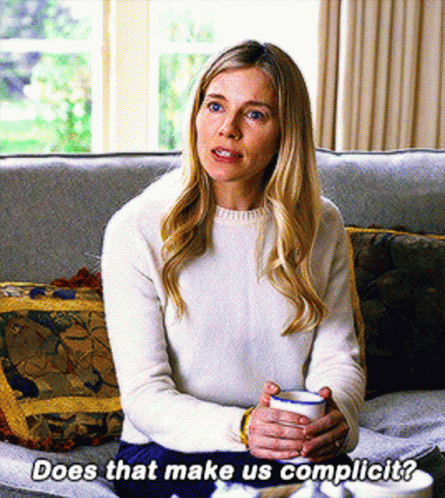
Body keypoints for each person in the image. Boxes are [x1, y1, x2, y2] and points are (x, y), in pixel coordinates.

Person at [101, 40, 366, 498]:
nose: (227, 129)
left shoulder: (321, 224)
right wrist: (244, 427)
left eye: (254, 114)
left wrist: (336, 413)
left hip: (287, 446)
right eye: (215, 106)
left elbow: (338, 357)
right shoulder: (136, 227)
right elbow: (144, 396)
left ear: (286, 131)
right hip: (165, 451)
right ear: (196, 114)